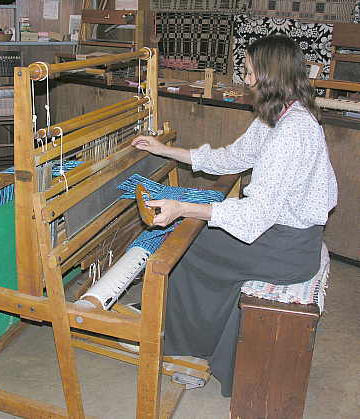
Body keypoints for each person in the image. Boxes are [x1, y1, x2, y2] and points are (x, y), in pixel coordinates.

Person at [131, 35, 337, 397]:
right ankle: (189, 324)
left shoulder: (292, 132)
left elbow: (254, 216)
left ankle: (186, 347)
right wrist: (167, 150)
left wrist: (183, 208)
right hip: (282, 237)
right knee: (196, 238)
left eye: (249, 69)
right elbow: (231, 158)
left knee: (186, 245)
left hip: (287, 249)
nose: (244, 77)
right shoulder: (280, 116)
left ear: (267, 75)